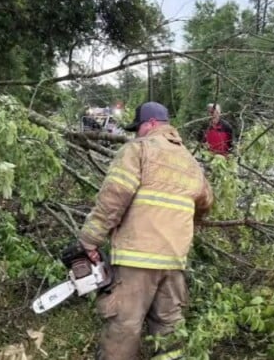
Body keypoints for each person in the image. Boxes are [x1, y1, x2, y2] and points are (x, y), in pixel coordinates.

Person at [74, 102, 213, 360]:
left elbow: (113, 198)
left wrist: (90, 240)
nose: (136, 133)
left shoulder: (139, 149)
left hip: (136, 259)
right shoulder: (191, 162)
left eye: (138, 127)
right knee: (169, 328)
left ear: (150, 124)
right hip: (174, 260)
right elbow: (205, 204)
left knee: (124, 326)